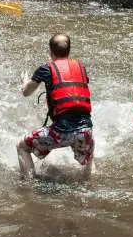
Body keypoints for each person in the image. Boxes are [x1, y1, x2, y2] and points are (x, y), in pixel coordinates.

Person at [16, 33, 94, 180]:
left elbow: (26, 92)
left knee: (21, 146)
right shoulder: (81, 67)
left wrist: (25, 81)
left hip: (61, 132)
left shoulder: (45, 69)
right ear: (69, 51)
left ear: (51, 52)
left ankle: (29, 186)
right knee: (89, 157)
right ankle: (91, 183)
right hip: (85, 131)